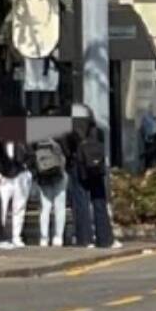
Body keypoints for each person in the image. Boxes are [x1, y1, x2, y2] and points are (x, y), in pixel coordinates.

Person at [65, 104, 115, 248]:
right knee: (99, 202)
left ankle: (85, 238)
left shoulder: (71, 132)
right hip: (96, 169)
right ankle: (105, 238)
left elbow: (66, 150)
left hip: (78, 168)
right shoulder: (97, 131)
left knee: (81, 203)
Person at [0, 137, 32, 248]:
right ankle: (0, 237)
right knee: (1, 208)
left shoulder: (22, 142)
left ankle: (16, 237)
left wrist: (25, 166)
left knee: (19, 208)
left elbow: (31, 156)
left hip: (20, 176)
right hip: (4, 177)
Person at [32, 137, 67, 247]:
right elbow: (66, 154)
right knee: (59, 208)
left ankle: (44, 238)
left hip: (44, 177)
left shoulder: (37, 141)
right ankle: (58, 237)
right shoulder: (59, 139)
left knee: (45, 208)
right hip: (58, 176)